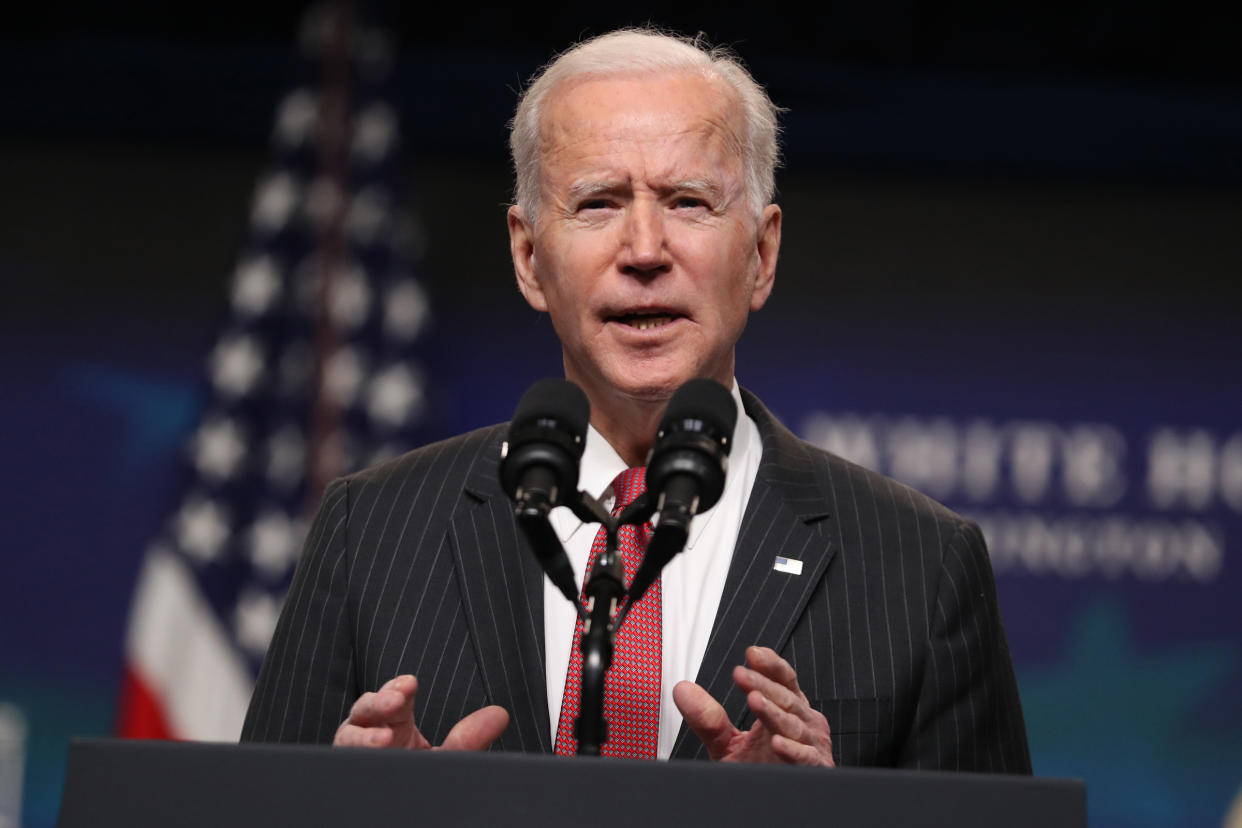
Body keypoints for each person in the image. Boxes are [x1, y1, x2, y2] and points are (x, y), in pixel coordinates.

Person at [241, 28, 1031, 772]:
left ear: (761, 255)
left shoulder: (921, 566)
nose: (645, 251)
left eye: (688, 201)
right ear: (527, 257)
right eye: (598, 204)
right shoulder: (371, 533)